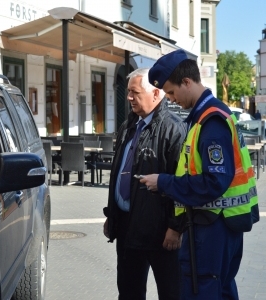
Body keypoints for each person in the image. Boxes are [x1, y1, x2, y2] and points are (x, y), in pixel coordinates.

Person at [140, 49, 259, 299]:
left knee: (204, 291)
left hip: (213, 227)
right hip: (223, 224)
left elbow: (214, 181)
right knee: (222, 290)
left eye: (171, 92)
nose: (170, 100)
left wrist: (164, 182)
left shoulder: (210, 121)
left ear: (187, 82)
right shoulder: (209, 115)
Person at [103, 68, 187, 300]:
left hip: (160, 232)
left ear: (156, 94)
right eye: (128, 92)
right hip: (128, 227)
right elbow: (119, 173)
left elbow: (181, 182)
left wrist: (175, 227)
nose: (129, 97)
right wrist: (112, 214)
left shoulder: (174, 129)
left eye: (134, 92)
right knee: (129, 293)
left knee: (170, 293)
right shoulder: (128, 125)